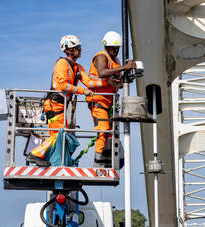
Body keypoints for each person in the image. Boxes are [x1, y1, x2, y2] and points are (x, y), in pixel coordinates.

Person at [27, 35, 111, 166]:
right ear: (69, 50)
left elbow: (89, 82)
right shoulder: (61, 64)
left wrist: (108, 83)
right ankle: (34, 154)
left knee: (62, 136)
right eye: (78, 48)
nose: (81, 49)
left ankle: (49, 159)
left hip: (60, 106)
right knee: (60, 135)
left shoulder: (78, 67)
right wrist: (83, 91)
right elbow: (63, 85)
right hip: (54, 105)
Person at [87, 31, 136, 167]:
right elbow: (102, 73)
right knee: (103, 131)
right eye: (114, 48)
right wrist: (125, 67)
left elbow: (114, 83)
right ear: (107, 47)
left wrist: (125, 79)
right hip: (98, 102)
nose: (116, 51)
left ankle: (107, 162)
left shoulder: (116, 62)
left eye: (118, 48)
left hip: (109, 103)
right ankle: (97, 165)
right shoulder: (101, 57)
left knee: (110, 134)